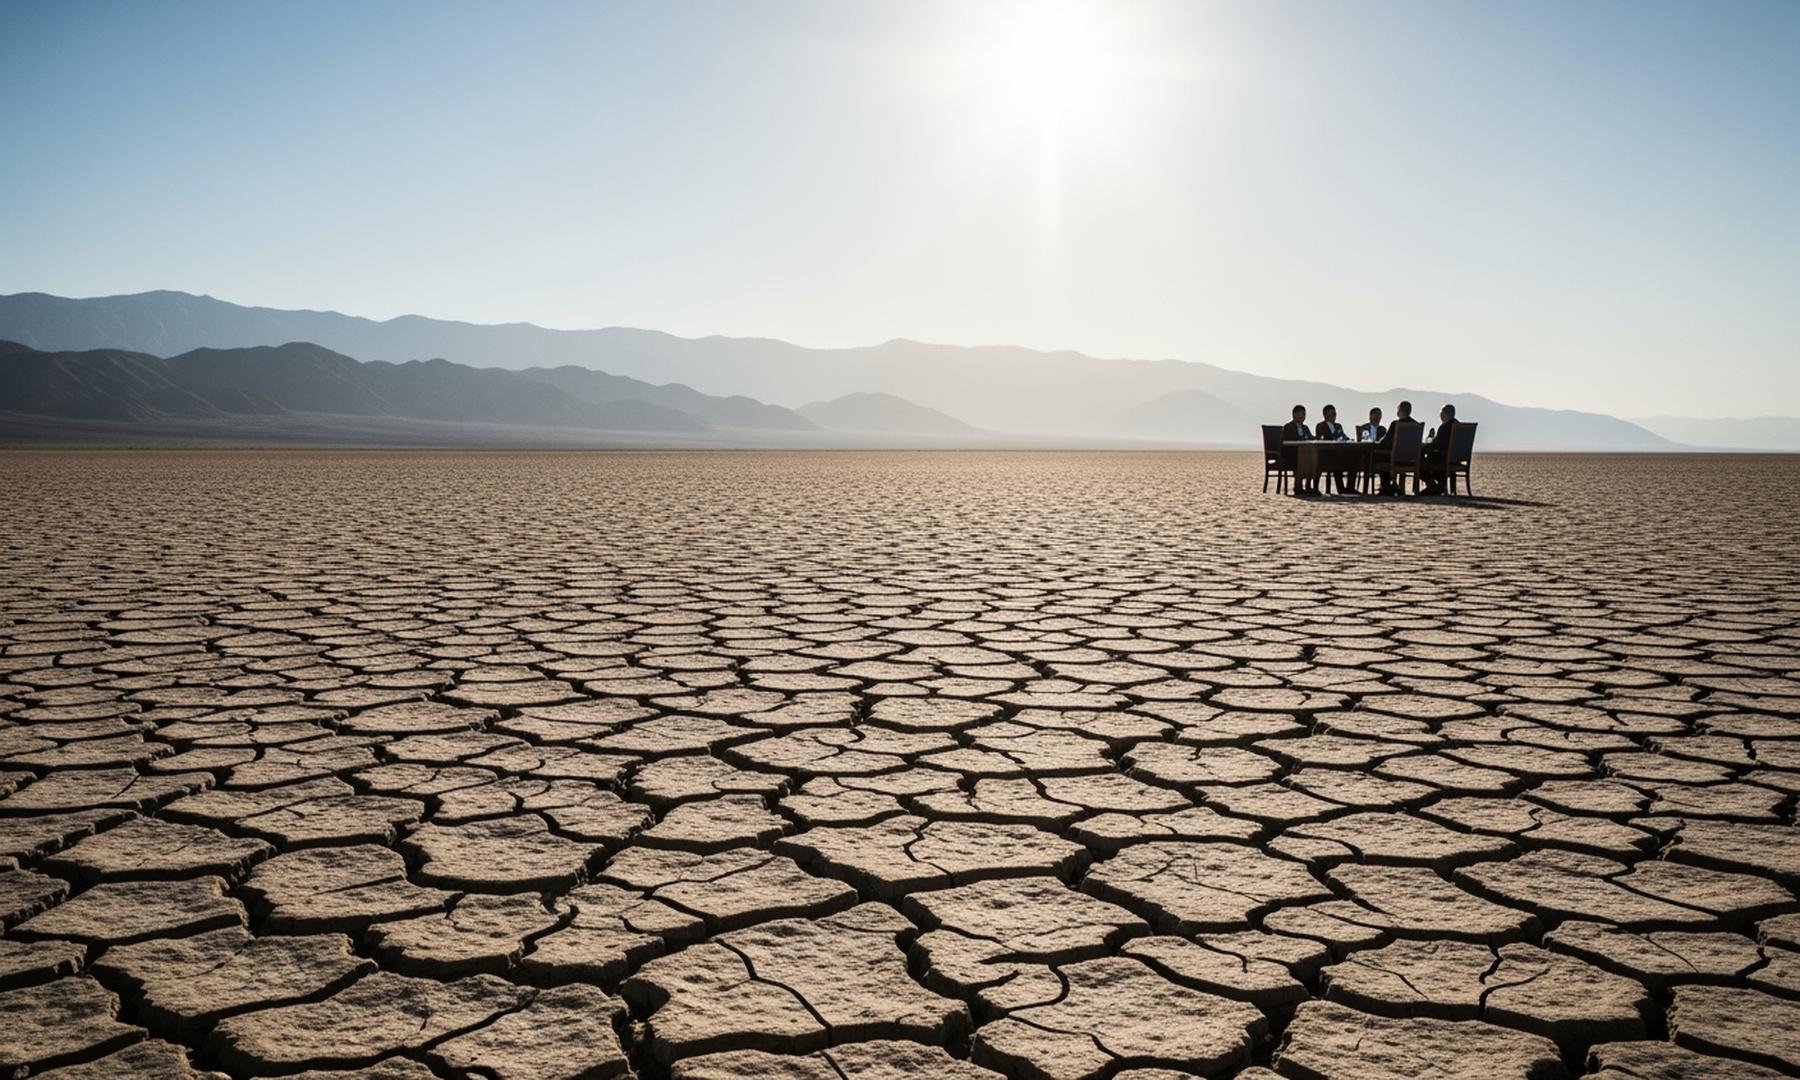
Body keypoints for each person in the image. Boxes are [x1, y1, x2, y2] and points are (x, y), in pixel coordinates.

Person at [1371, 400, 1422, 495]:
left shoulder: (1396, 424)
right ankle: (1390, 486)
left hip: (1395, 459)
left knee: (1376, 457)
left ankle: (1386, 486)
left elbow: (1385, 443)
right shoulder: (1417, 425)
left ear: (1400, 411)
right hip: (1411, 460)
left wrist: (1376, 444)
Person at [1419, 403, 1458, 494]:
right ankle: (1440, 485)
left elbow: (1437, 445)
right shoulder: (1459, 426)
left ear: (1443, 414)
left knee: (1420, 461)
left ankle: (1431, 485)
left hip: (1443, 458)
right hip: (1456, 459)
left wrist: (1424, 446)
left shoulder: (1444, 427)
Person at [1313, 404, 1351, 494]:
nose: (1333, 417)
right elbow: (1320, 439)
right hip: (1325, 454)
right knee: (1331, 461)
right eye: (1330, 414)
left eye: (1334, 414)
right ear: (1325, 415)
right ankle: (1315, 488)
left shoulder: (1338, 426)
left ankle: (1345, 488)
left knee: (1349, 460)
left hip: (1338, 453)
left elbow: (1343, 436)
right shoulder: (1320, 426)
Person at [1280, 405, 1317, 495]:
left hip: (1305, 454)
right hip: (1291, 455)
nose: (1303, 417)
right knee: (1303, 457)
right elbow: (1286, 442)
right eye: (1301, 414)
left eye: (1304, 415)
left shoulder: (1305, 428)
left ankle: (1309, 486)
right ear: (1294, 415)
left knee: (1313, 457)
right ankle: (1298, 486)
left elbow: (1310, 438)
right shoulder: (1288, 427)